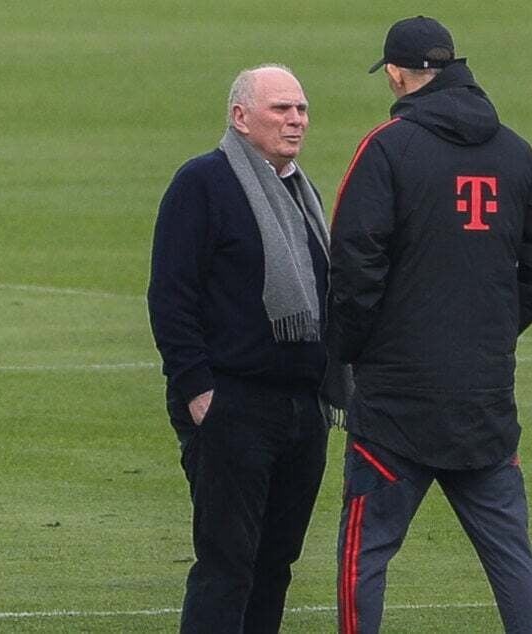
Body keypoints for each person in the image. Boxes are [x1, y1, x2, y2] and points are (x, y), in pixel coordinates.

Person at [327, 17, 532, 634]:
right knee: (510, 555)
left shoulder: (386, 148)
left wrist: (347, 352)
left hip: (395, 404)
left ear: (397, 72)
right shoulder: (514, 151)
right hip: (483, 398)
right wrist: (492, 328)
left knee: (366, 555)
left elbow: (355, 265)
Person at [147, 64, 330, 634]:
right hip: (233, 403)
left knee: (276, 563)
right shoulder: (203, 182)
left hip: (303, 408)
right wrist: (199, 391)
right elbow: (171, 294)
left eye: (300, 108)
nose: (295, 120)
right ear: (240, 117)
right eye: (281, 109)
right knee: (227, 564)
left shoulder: (301, 192)